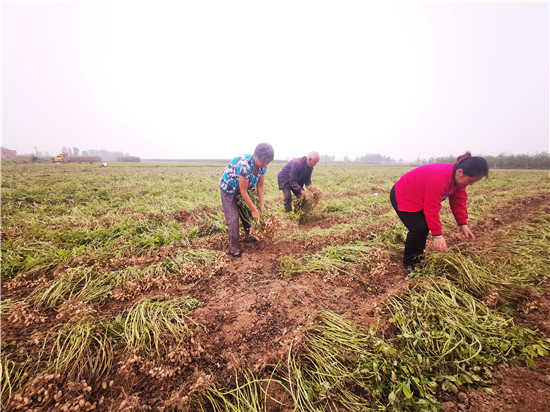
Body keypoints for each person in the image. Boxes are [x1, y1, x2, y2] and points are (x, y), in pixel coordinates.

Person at [390, 152, 489, 274]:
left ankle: (418, 258)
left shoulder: (457, 180)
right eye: (471, 180)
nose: (471, 184)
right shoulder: (440, 177)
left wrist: (462, 223)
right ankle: (408, 263)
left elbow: (458, 201)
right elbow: (431, 207)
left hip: (419, 197)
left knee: (424, 228)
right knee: (418, 228)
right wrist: (437, 235)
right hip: (404, 194)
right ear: (460, 172)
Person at [220, 143, 275, 257]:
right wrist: (254, 210)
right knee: (233, 218)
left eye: (267, 162)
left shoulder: (263, 166)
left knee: (246, 212)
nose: (265, 164)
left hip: (242, 189)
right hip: (229, 189)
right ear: (255, 156)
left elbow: (260, 186)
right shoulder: (245, 165)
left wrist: (261, 205)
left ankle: (248, 236)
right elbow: (243, 192)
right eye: (263, 161)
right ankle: (235, 250)